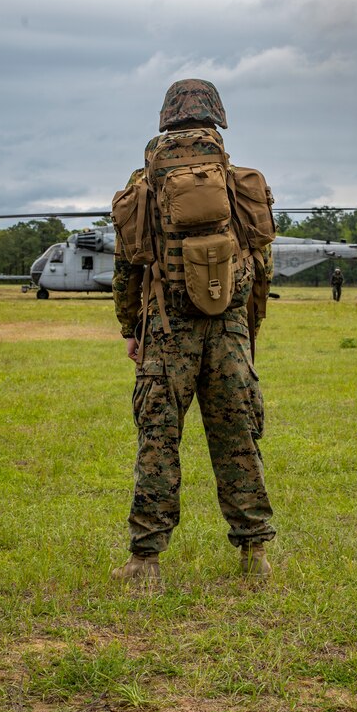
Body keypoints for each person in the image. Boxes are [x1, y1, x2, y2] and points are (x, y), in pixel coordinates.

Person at [111, 79, 276, 583]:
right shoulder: (237, 178)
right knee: (237, 436)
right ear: (216, 115)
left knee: (158, 437)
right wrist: (248, 325)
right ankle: (254, 556)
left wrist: (129, 327)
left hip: (168, 323)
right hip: (228, 324)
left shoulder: (143, 182)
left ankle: (145, 561)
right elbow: (261, 258)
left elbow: (129, 265)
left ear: (166, 116)